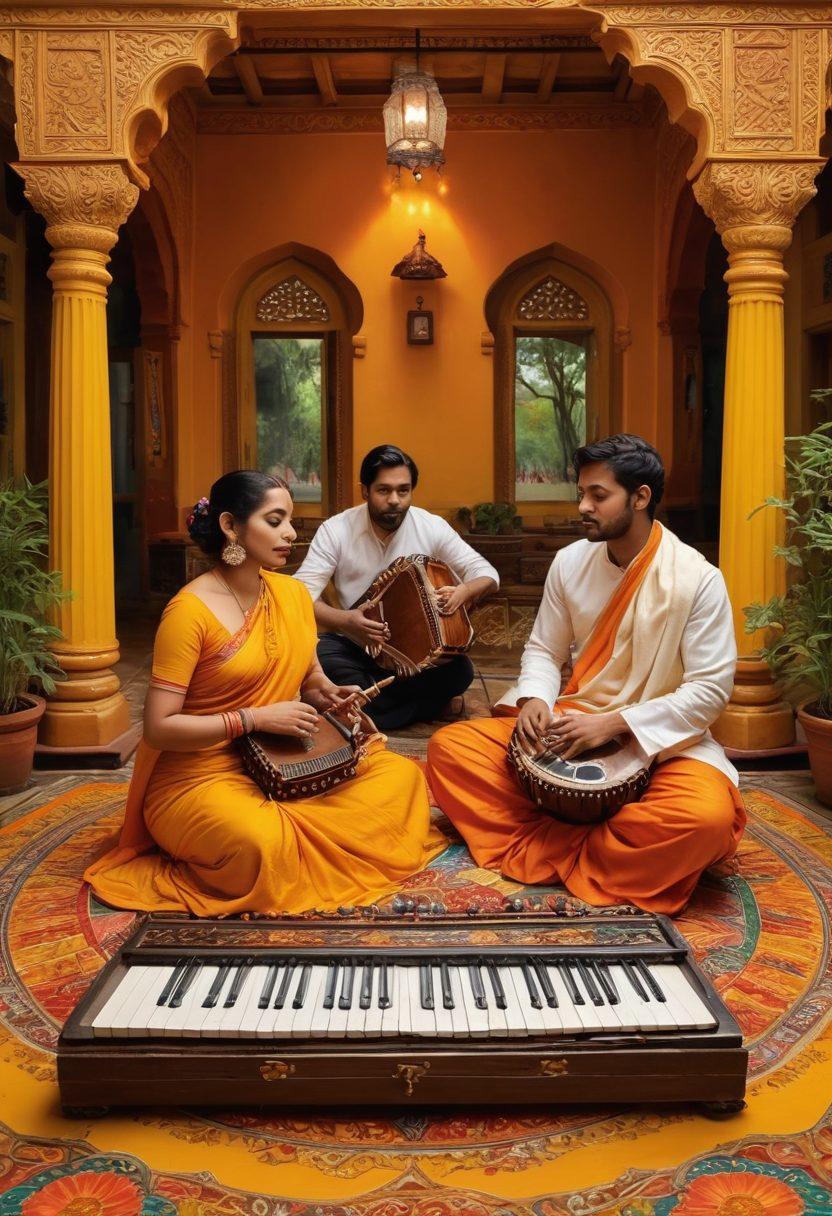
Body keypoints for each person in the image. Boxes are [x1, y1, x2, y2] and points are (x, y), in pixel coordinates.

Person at [84, 470, 446, 917]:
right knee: (262, 843)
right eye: (275, 521)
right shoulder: (189, 612)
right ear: (230, 526)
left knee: (401, 779)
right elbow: (159, 728)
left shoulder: (292, 595)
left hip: (285, 760)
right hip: (200, 777)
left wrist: (331, 695)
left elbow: (311, 681)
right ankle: (276, 849)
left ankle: (305, 845)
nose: (290, 533)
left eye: (290, 521)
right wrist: (252, 719)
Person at [426, 434, 746, 917]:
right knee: (451, 751)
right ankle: (616, 850)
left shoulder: (697, 580)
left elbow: (708, 691)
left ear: (640, 497)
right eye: (581, 493)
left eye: (598, 495)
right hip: (570, 724)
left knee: (706, 820)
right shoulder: (571, 561)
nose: (583, 507)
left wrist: (615, 723)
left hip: (662, 742)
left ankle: (548, 845)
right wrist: (536, 699)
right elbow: (543, 649)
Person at [294, 444, 499, 730]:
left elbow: (487, 574)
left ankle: (369, 711)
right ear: (364, 491)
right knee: (320, 656)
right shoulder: (336, 530)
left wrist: (464, 592)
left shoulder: (431, 526)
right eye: (384, 490)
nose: (394, 500)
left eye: (403, 491)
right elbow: (298, 596)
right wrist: (347, 621)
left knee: (460, 671)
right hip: (357, 645)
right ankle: (433, 706)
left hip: (414, 655)